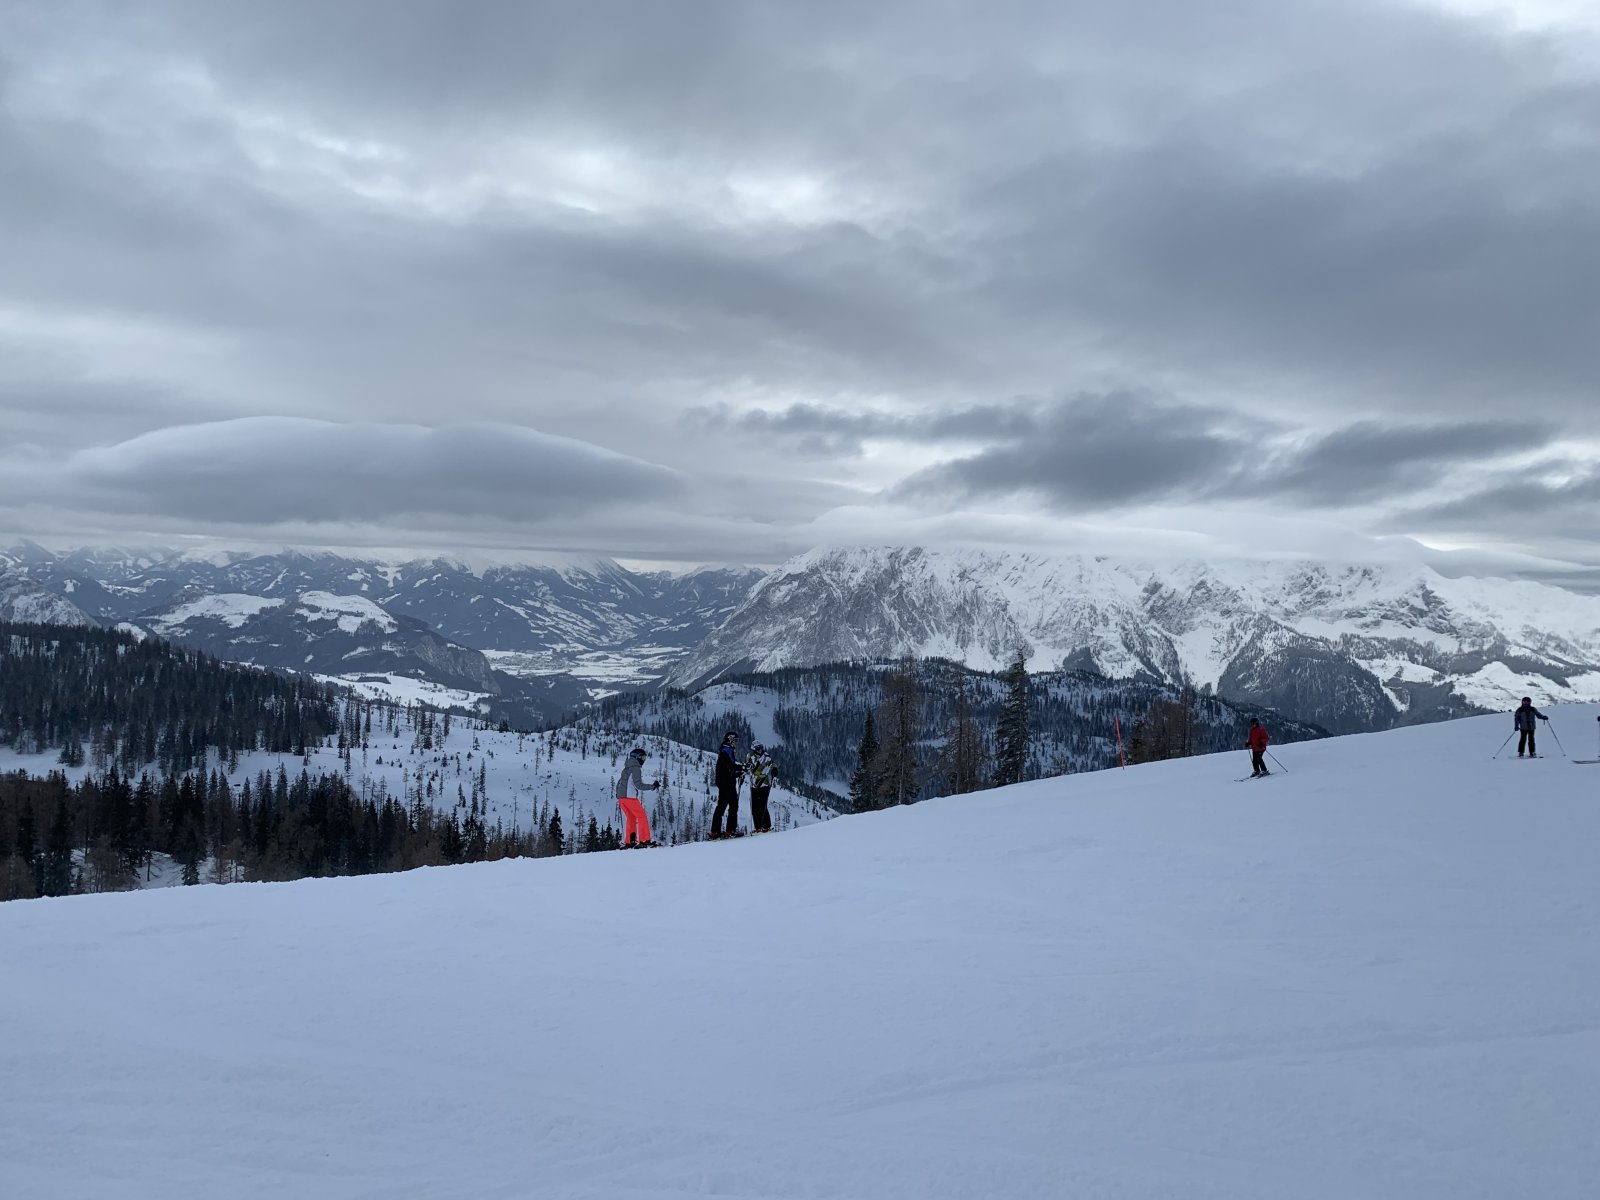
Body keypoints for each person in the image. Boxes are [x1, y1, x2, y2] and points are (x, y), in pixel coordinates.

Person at [615, 747, 660, 848]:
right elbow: (639, 785)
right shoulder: (636, 769)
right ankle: (645, 840)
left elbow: (620, 783)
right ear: (637, 757)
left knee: (631, 818)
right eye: (642, 757)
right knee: (641, 816)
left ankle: (630, 841)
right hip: (630, 798)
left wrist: (619, 795)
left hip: (622, 799)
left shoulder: (626, 768)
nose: (643, 760)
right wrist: (652, 786)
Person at [711, 732, 743, 839]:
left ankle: (715, 832)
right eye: (735, 740)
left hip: (724, 782)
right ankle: (730, 830)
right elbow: (730, 766)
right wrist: (742, 769)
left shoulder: (725, 749)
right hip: (727, 783)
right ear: (730, 740)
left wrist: (738, 772)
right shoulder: (727, 750)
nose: (736, 743)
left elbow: (727, 768)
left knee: (721, 806)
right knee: (733, 806)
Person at [744, 743, 778, 833]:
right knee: (754, 807)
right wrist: (745, 769)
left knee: (762, 806)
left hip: (764, 783)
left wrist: (774, 769)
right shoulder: (750, 756)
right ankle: (758, 827)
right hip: (754, 784)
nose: (760, 750)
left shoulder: (766, 757)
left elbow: (773, 763)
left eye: (761, 748)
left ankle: (766, 826)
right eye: (758, 748)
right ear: (754, 749)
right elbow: (747, 766)